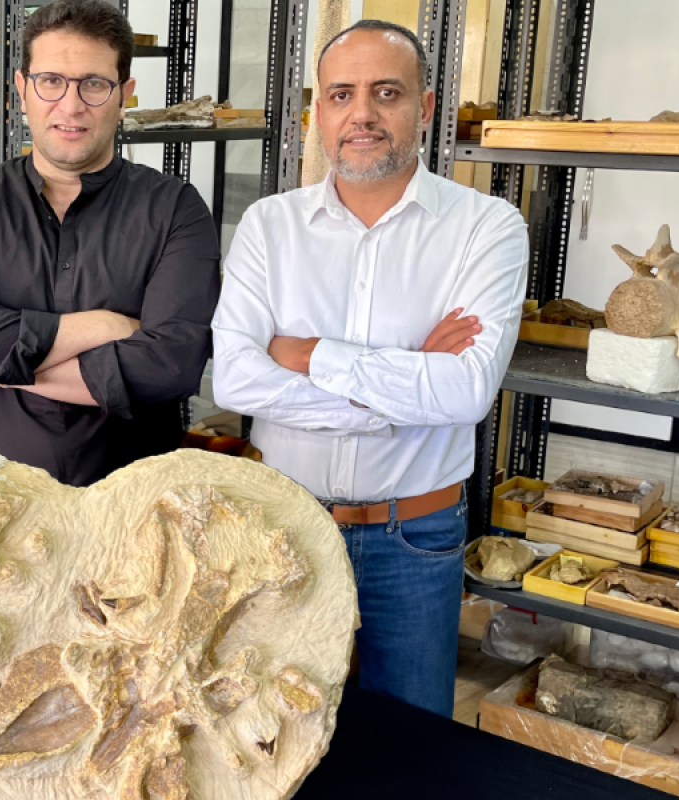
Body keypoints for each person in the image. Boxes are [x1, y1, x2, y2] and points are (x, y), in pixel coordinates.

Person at [210, 19, 528, 716]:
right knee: (267, 728)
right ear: (316, 111)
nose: (362, 114)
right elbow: (233, 378)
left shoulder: (487, 227)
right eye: (341, 94)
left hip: (413, 538)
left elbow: (467, 390)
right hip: (284, 523)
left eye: (387, 93)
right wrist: (408, 377)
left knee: (410, 740)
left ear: (426, 107)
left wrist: (310, 354)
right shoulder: (270, 225)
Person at [0, 0, 220, 487]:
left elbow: (172, 365)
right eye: (51, 81)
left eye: (94, 84)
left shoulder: (175, 209)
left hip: (132, 513)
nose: (71, 105)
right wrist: (104, 326)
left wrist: (0, 367)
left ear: (125, 95)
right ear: (21, 90)